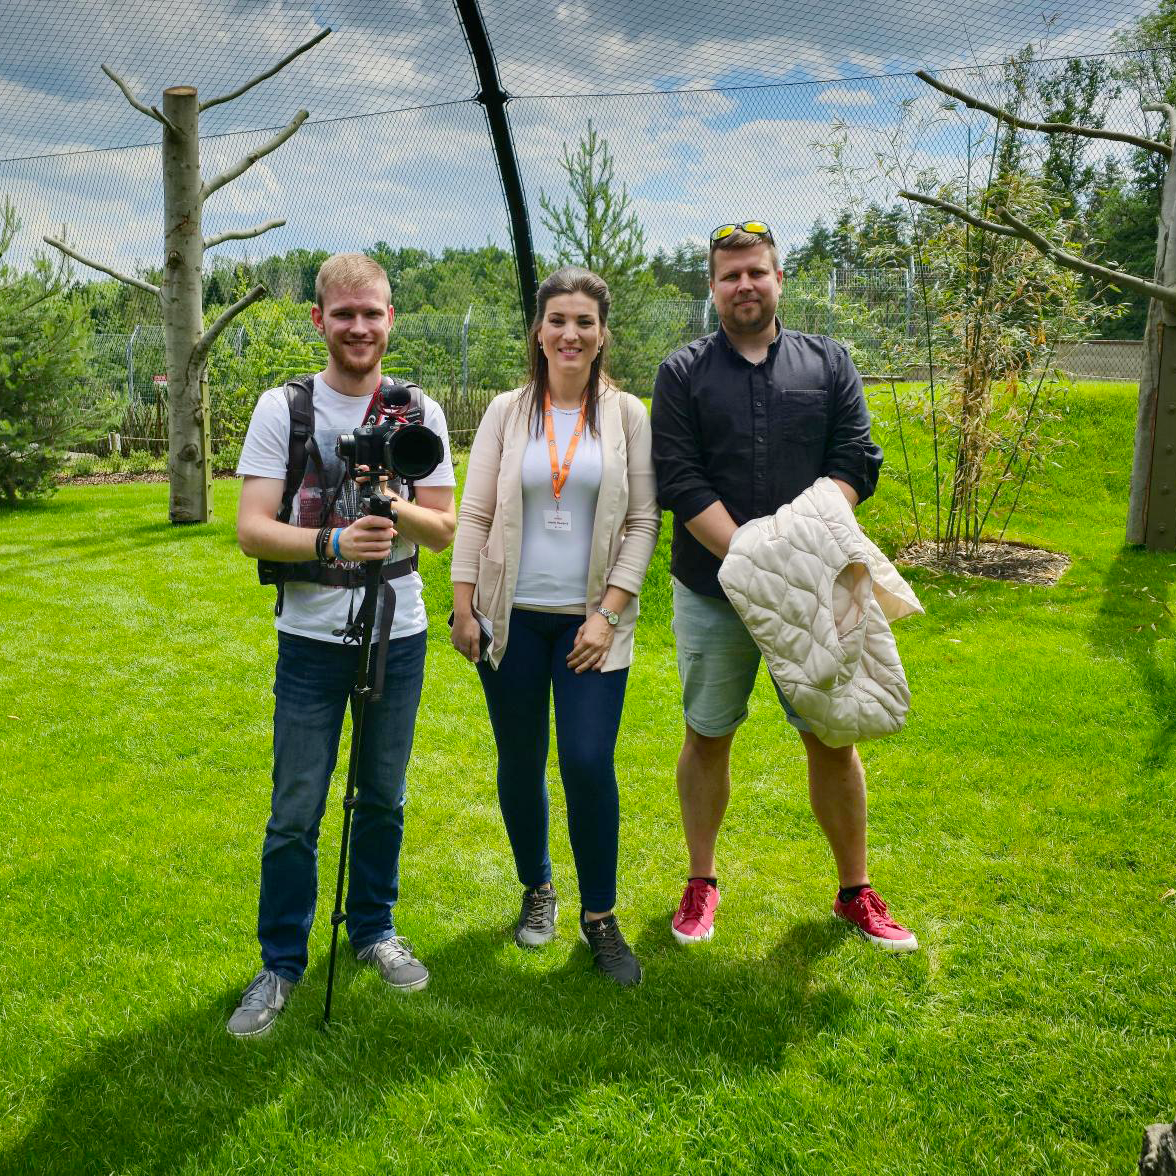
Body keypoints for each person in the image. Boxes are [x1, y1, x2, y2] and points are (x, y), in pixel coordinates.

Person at [650, 222, 918, 953]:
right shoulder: (681, 373)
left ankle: (855, 891)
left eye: (757, 273)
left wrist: (790, 556)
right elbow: (679, 477)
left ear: (778, 279)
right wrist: (752, 558)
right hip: (713, 589)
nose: (745, 285)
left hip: (819, 589)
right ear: (712, 287)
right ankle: (701, 882)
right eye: (730, 275)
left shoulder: (829, 364)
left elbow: (855, 461)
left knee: (835, 736)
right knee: (708, 734)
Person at [229, 253, 457, 1036]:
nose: (360, 326)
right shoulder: (283, 407)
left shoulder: (416, 410)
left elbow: (447, 525)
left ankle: (373, 930)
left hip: (400, 631)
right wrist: (332, 541)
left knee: (383, 796)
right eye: (345, 313)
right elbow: (252, 528)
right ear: (320, 319)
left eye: (374, 312)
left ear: (390, 319)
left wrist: (394, 506)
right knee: (296, 806)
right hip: (310, 638)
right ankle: (280, 962)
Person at [450, 266, 660, 987]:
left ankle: (599, 918)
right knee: (520, 759)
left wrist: (608, 612)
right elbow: (474, 513)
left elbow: (641, 520)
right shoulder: (508, 412)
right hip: (511, 622)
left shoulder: (628, 415)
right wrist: (462, 599)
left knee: (587, 761)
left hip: (591, 629)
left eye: (585, 322)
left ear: (603, 335)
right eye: (558, 321)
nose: (570, 334)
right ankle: (537, 888)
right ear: (538, 332)